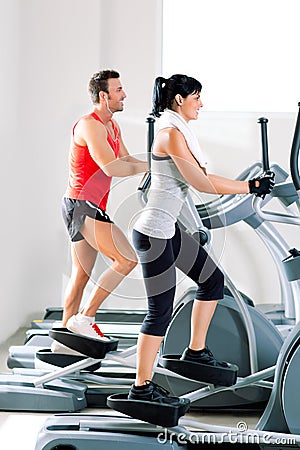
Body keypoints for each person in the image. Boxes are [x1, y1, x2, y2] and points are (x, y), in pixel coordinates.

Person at [128, 74, 274, 404]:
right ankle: (140, 388)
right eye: (197, 98)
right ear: (179, 100)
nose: (201, 104)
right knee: (159, 313)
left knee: (212, 281)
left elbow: (199, 179)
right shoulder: (169, 135)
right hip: (154, 236)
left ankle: (195, 351)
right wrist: (250, 187)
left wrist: (249, 186)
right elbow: (202, 182)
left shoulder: (179, 132)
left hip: (169, 232)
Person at [52, 69, 148, 351]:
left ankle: (62, 342)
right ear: (103, 95)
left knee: (81, 276)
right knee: (127, 259)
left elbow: (127, 159)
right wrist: (147, 167)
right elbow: (112, 167)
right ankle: (85, 317)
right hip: (82, 206)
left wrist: (155, 164)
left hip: (87, 206)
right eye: (119, 90)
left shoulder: (113, 126)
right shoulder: (90, 125)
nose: (125, 94)